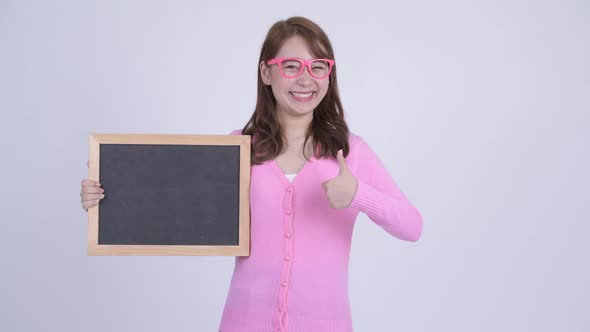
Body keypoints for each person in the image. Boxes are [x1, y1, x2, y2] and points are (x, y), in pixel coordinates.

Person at [80, 16, 422, 332]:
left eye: (318, 67)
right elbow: (173, 206)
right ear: (265, 72)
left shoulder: (350, 152)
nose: (306, 79)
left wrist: (359, 193)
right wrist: (111, 193)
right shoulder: (239, 149)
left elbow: (412, 225)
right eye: (291, 66)